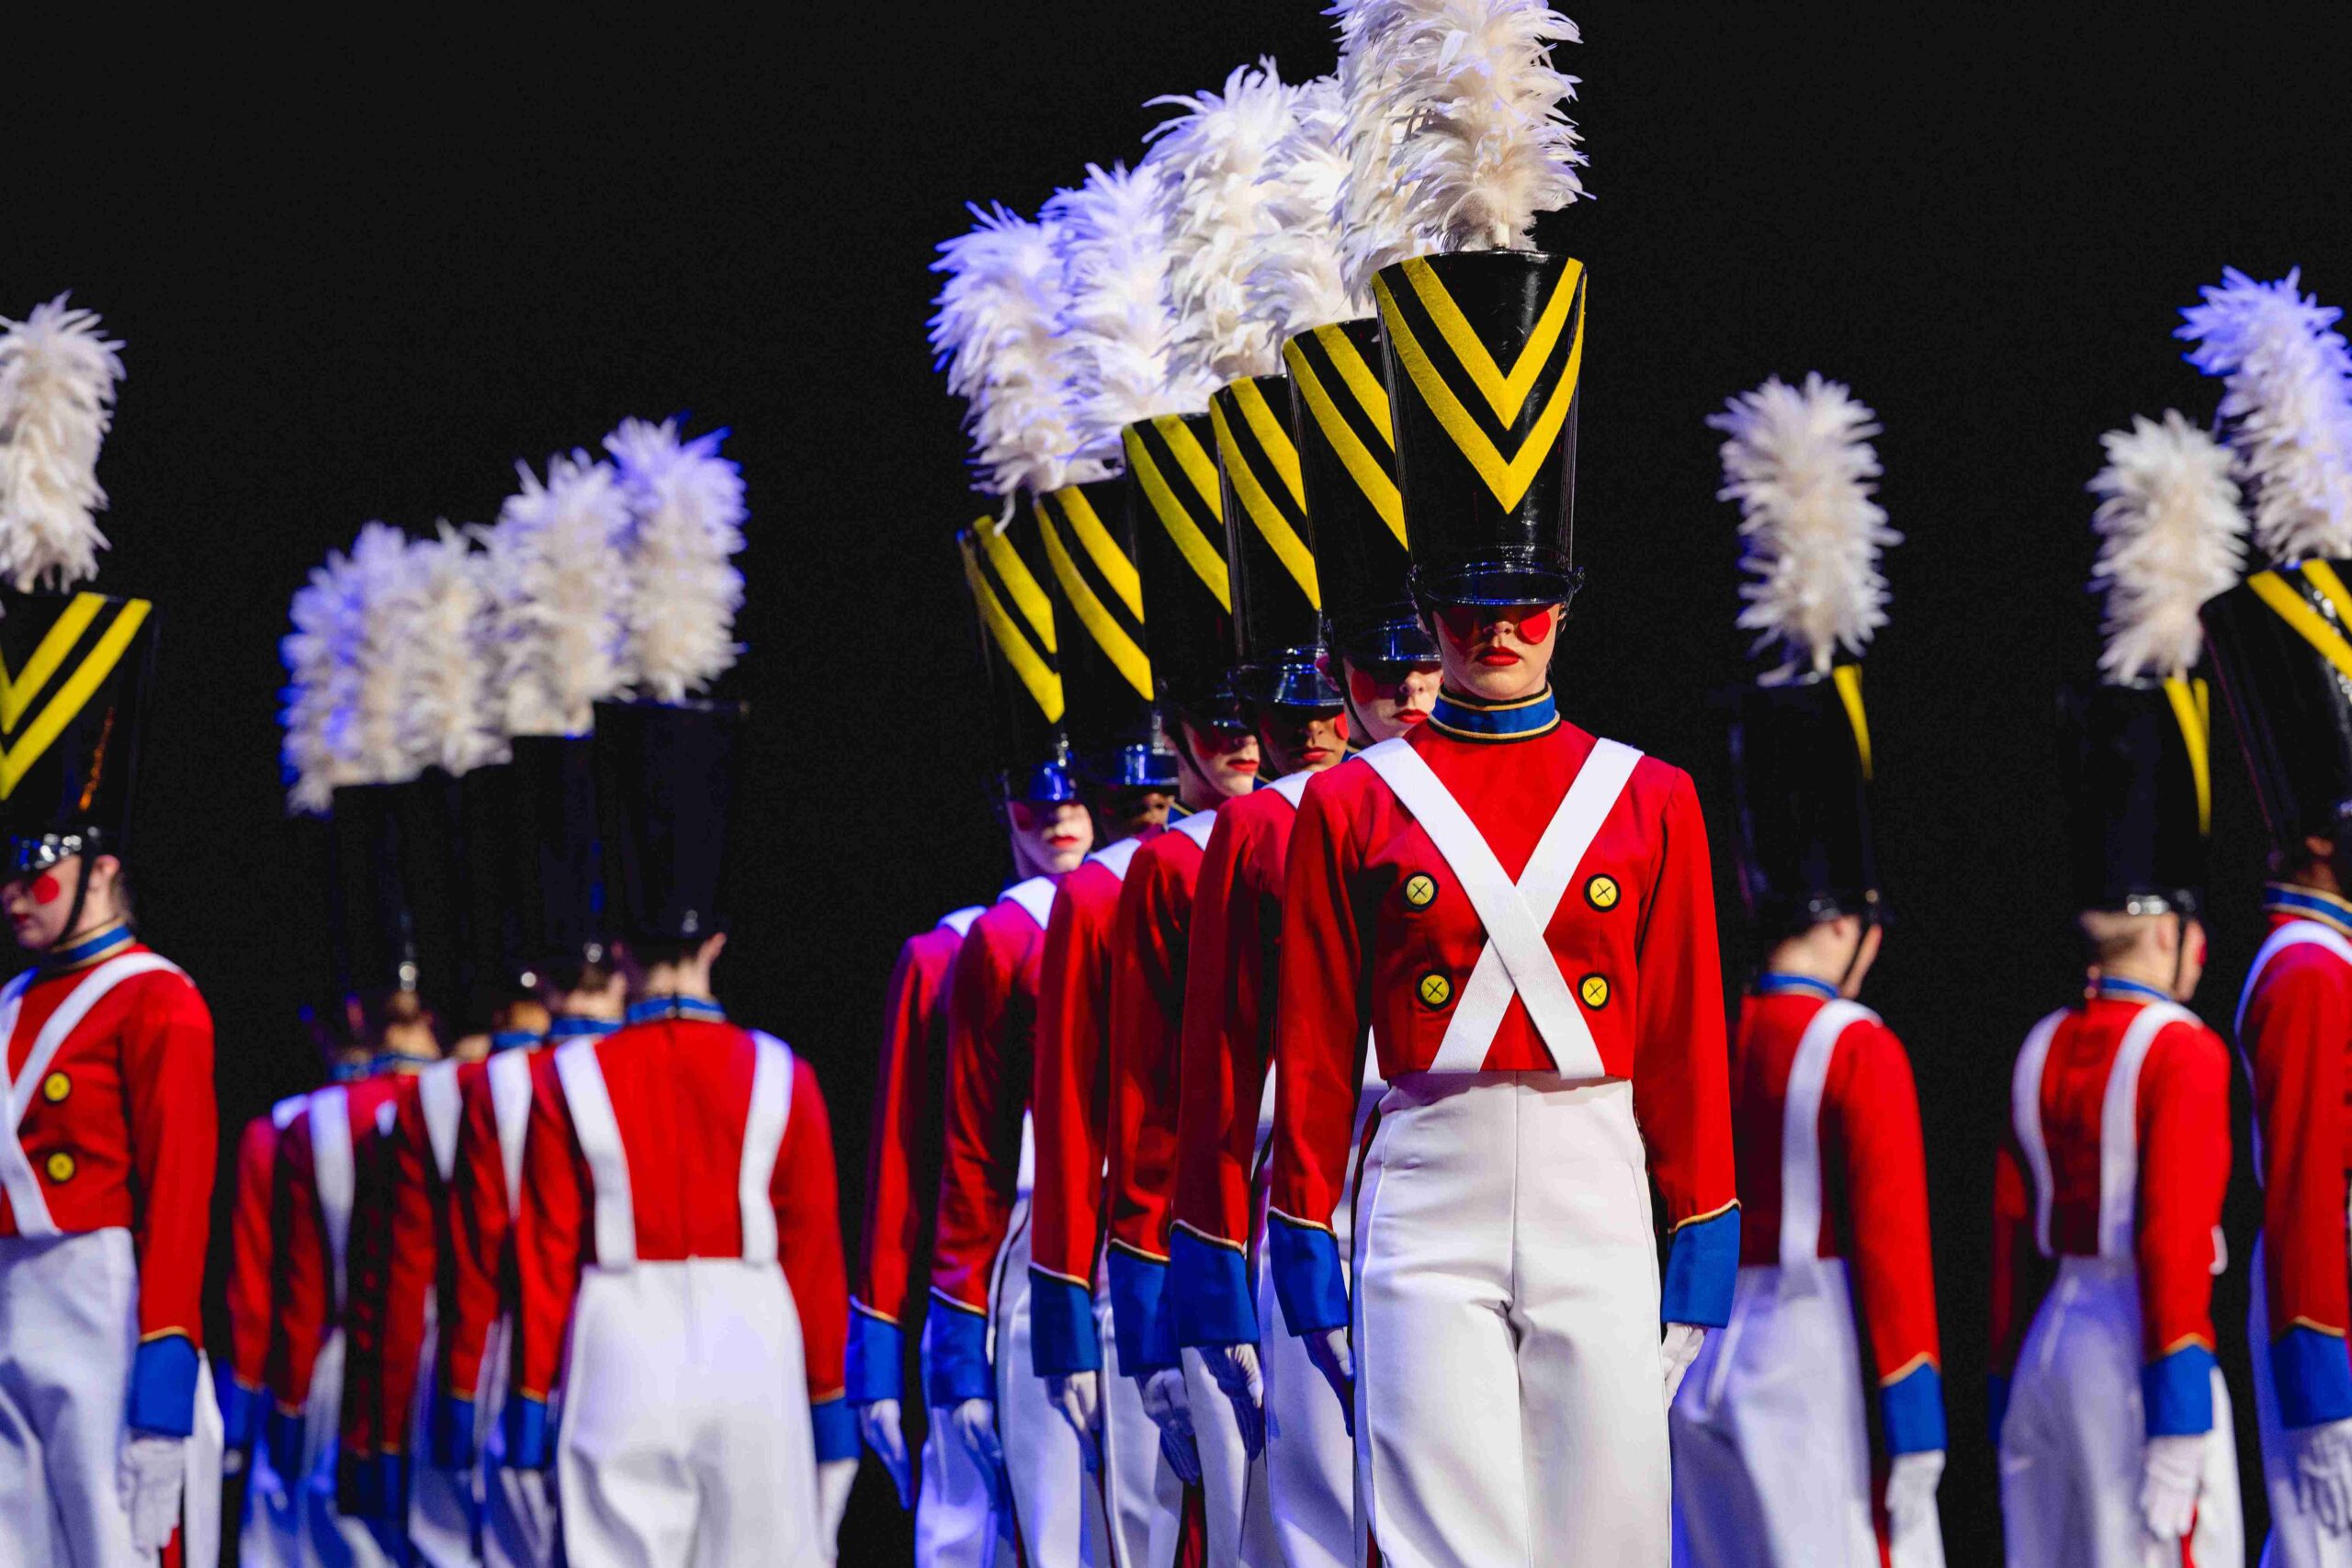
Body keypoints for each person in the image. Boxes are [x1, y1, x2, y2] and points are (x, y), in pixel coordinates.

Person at [1267, 249, 1738, 1565]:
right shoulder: (1353, 805)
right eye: (1471, 601)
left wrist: (1700, 1230)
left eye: (1526, 597)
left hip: (1598, 1167)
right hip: (1425, 1172)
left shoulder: (1651, 797)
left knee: (1608, 1539)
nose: (1500, 626)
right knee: (1438, 1540)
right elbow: (1313, 1049)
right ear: (1428, 609)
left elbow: (1689, 1035)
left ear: (1565, 603)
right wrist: (1304, 1233)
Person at [1668, 374, 1945, 1565]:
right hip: (1824, 1371)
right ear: (1861, 917)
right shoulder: (1855, 1044)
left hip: (1708, 1362)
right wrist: (1920, 1444)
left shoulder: (1723, 1030)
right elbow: (1894, 1256)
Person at [507, 698, 855, 1565]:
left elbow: (544, 1256)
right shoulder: (783, 1071)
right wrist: (828, 1402)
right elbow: (814, 1255)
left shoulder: (569, 1075)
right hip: (754, 1329)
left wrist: (528, 1400)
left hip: (620, 1330)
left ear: (617, 950)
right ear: (723, 941)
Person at [1991, 676, 2240, 1565]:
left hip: (2046, 1352)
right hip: (2138, 1351)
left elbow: (2009, 1245)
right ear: (2172, 933)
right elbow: (2171, 1243)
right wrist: (2177, 1419)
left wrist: (1998, 1391)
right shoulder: (2184, 1051)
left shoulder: (2040, 1041)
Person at [878, 513, 1088, 1567]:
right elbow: (924, 1164)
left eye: (1073, 784)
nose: (1057, 809)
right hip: (1023, 1248)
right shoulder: (966, 947)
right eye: (1030, 788)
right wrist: (909, 1337)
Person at [0, 585, 220, 1568]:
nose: (11, 896)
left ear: (101, 868)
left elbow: (179, 1194)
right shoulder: (7, 1000)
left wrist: (164, 1371)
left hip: (103, 1309)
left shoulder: (156, 999)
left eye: (32, 869)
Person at [429, 729, 625, 1568]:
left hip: (534, 1351)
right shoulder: (660, 1063)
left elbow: (483, 1258)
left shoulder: (503, 1086)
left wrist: (470, 1384)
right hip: (639, 1339)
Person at [2203, 558, 2352, 1563]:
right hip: (2329, 1328)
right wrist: (2321, 1408)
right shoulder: (2306, 971)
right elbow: (2301, 1196)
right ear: (2314, 832)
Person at [267, 779, 449, 1568]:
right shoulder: (468, 1099)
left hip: (346, 1373)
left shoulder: (306, 1124)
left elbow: (288, 1299)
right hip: (454, 1370)